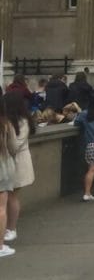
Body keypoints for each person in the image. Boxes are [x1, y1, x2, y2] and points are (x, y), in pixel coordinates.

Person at [2, 92, 35, 244]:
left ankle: (11, 228)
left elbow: (15, 146)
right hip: (9, 161)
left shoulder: (22, 122)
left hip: (18, 161)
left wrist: (8, 136)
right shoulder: (9, 120)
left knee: (12, 196)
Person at [0, 103, 17, 258]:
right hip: (2, 168)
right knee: (1, 209)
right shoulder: (6, 124)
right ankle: (0, 246)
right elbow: (13, 147)